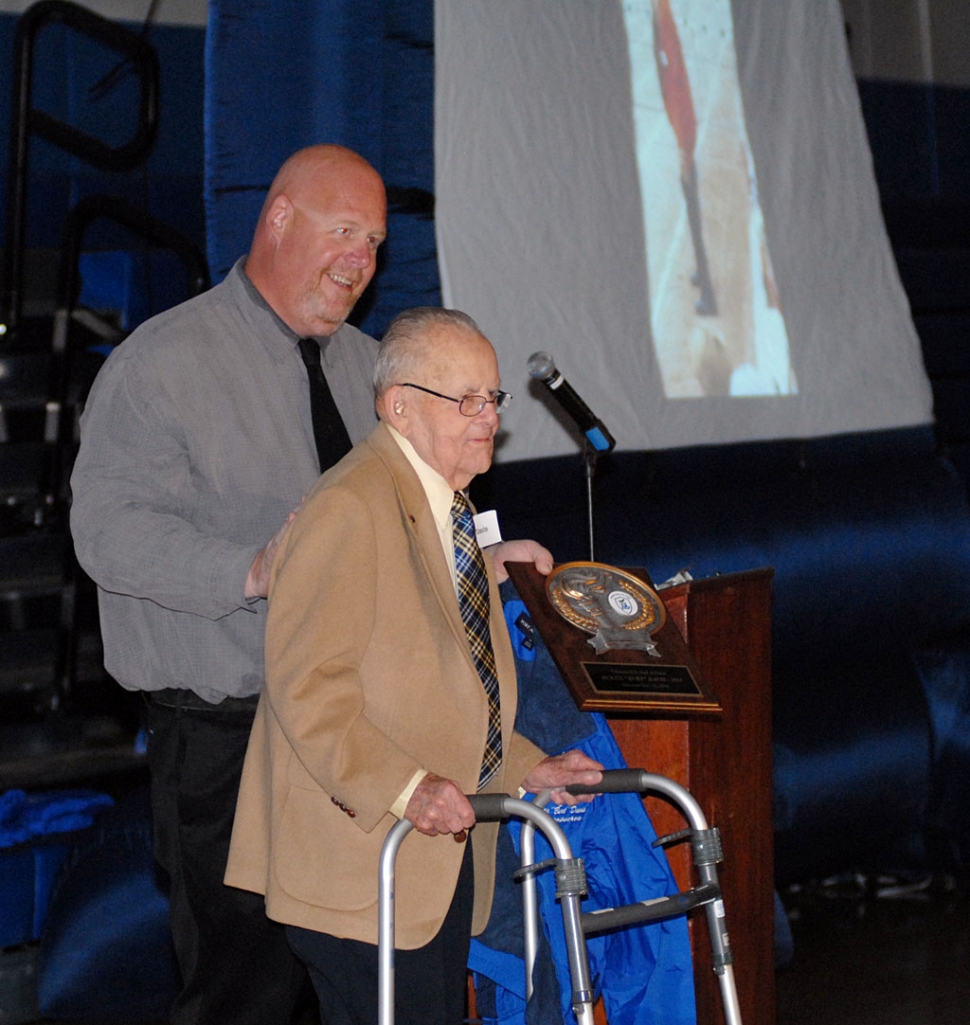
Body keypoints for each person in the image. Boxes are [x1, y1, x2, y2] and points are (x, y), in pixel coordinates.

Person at [69, 146, 553, 1025]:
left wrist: (482, 559)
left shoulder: (374, 364)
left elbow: (401, 530)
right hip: (226, 731)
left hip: (368, 736)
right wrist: (247, 569)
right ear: (278, 219)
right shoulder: (162, 363)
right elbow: (104, 530)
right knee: (246, 995)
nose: (361, 262)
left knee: (362, 992)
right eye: (343, 233)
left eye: (372, 242)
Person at [225, 306, 603, 1025]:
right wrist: (407, 788)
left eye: (492, 397)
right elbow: (308, 688)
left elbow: (448, 689)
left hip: (428, 858)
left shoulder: (442, 507)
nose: (487, 415)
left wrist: (526, 766)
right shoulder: (349, 505)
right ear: (398, 405)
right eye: (465, 398)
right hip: (363, 861)